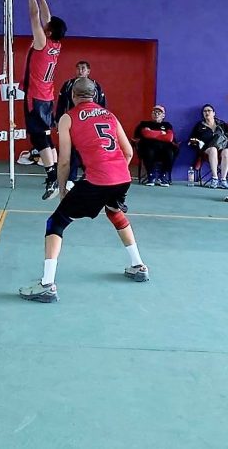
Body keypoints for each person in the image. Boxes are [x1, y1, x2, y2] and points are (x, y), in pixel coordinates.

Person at [19, 77, 149, 303]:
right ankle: (138, 266)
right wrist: (115, 174)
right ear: (95, 95)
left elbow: (64, 161)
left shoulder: (67, 118)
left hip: (98, 181)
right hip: (122, 178)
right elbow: (128, 152)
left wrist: (62, 189)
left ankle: (47, 285)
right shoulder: (109, 115)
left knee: (56, 222)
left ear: (72, 96)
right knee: (114, 211)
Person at [23, 0, 67, 200]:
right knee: (45, 135)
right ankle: (57, 175)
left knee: (38, 137)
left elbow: (35, 15)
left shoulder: (41, 42)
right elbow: (46, 16)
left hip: (36, 96)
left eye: (46, 26)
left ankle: (52, 177)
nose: (44, 23)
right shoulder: (55, 44)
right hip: (47, 97)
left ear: (48, 32)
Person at [55, 60, 106, 186]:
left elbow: (102, 105)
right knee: (71, 150)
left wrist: (102, 120)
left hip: (90, 125)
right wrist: (58, 121)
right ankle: (70, 178)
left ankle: (90, 176)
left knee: (89, 150)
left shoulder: (96, 86)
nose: (80, 71)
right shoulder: (68, 85)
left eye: (83, 68)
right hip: (72, 123)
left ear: (88, 71)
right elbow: (61, 104)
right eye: (78, 68)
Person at [133, 105, 178, 186]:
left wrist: (152, 133)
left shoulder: (167, 125)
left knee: (170, 152)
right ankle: (151, 176)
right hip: (148, 147)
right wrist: (161, 133)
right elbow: (146, 134)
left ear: (163, 115)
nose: (156, 114)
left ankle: (162, 176)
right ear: (151, 114)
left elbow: (169, 138)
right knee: (149, 151)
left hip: (164, 148)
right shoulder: (144, 124)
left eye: (159, 112)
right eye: (154, 112)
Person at [188, 104, 228, 189]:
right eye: (205, 111)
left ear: (214, 113)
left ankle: (223, 179)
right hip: (206, 150)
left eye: (209, 110)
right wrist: (197, 143)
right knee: (213, 149)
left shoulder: (222, 124)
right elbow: (191, 139)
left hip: (221, 148)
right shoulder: (199, 126)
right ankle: (215, 178)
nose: (207, 112)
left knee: (227, 152)